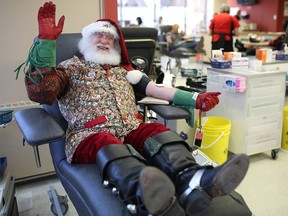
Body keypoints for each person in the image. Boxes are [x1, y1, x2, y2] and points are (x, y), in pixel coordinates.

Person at [16, 2, 249, 216]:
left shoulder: (125, 72)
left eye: (110, 37)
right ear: (86, 40)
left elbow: (157, 89)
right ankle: (146, 194)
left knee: (156, 131)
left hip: (131, 128)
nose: (103, 40)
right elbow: (42, 93)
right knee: (104, 141)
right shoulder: (68, 69)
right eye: (97, 35)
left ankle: (192, 179)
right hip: (89, 136)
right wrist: (46, 44)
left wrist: (195, 98)